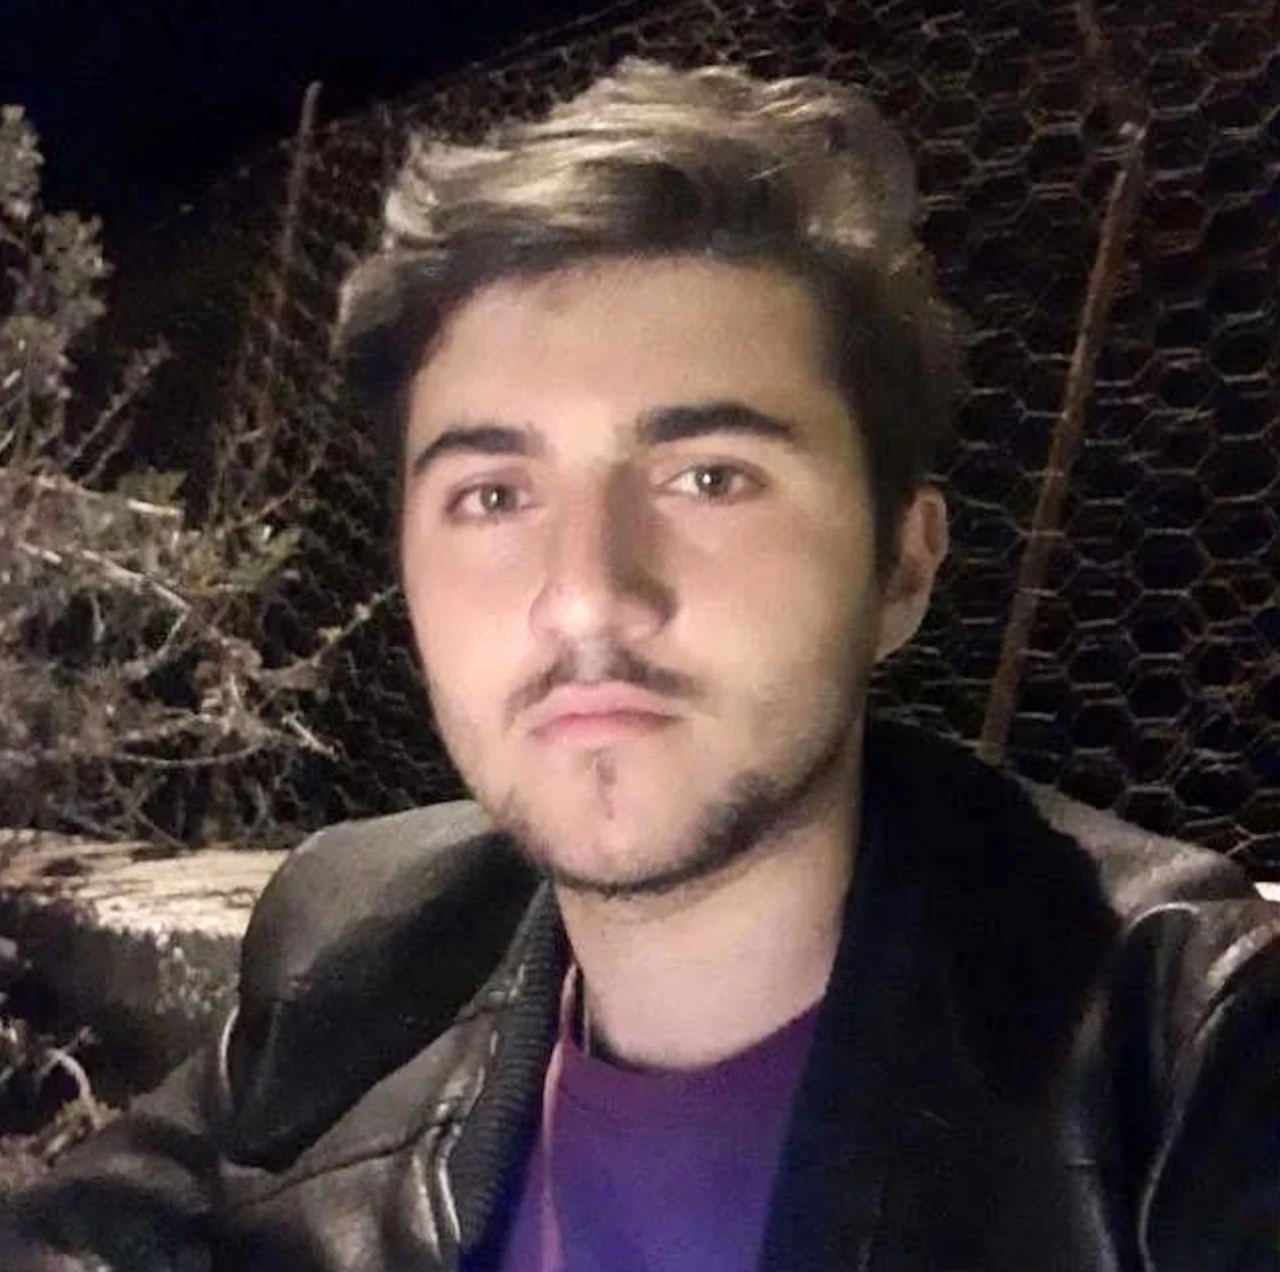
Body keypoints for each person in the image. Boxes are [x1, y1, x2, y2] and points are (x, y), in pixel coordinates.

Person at [4, 58, 1278, 1272]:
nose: (586, 594)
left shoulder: (1185, 1059)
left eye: (708, 478)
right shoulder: (356, 951)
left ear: (900, 564)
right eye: (493, 495)